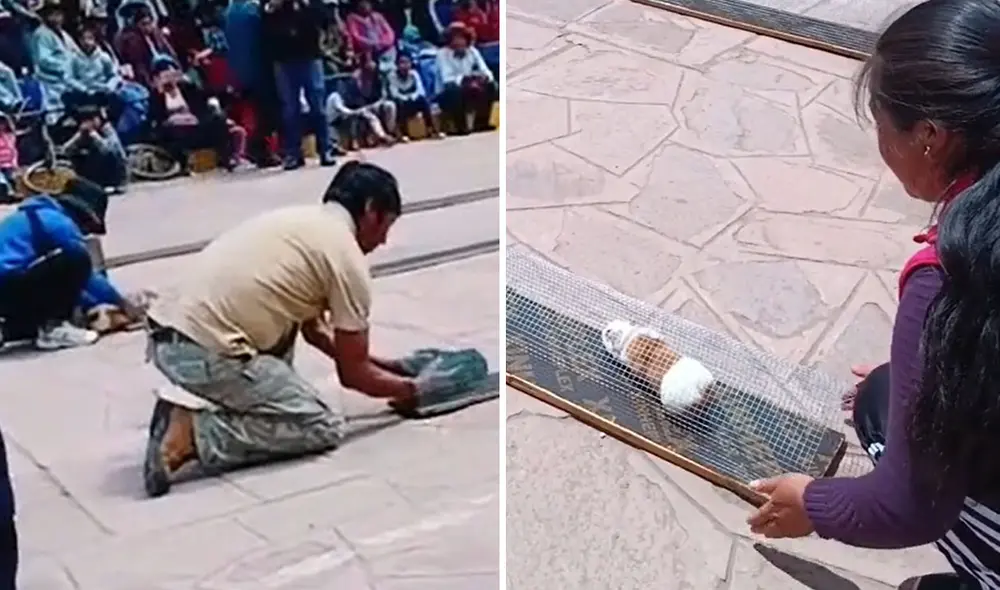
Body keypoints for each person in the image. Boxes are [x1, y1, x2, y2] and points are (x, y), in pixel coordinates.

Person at [745, 2, 1000, 588]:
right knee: (887, 394)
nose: (881, 147)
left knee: (889, 420)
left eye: (882, 126)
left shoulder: (951, 277)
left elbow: (908, 507)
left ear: (931, 136)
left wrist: (814, 502)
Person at [140, 162, 451, 497]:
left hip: (168, 334)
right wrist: (415, 392)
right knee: (319, 425)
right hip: (202, 349)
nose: (384, 240)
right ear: (371, 211)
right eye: (386, 226)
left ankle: (223, 409)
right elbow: (353, 374)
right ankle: (191, 435)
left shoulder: (299, 222)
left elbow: (315, 332)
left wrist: (388, 367)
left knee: (282, 331)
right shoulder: (346, 257)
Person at [0, 178, 115, 349]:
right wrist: (121, 301)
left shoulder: (34, 215)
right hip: (6, 285)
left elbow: (68, 287)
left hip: (8, 289)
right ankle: (54, 328)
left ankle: (6, 331)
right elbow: (85, 275)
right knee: (77, 259)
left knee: (37, 316)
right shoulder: (59, 223)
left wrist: (91, 304)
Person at [262, 0, 336, 170]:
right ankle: (293, 154)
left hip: (309, 56)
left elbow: (323, 18)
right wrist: (274, 7)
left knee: (318, 105)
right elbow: (264, 23)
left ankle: (326, 149)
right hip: (283, 59)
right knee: (290, 109)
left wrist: (307, 4)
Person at [148, 59, 245, 174]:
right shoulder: (155, 96)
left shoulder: (186, 88)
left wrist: (227, 91)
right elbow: (155, 118)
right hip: (176, 133)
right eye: (165, 74)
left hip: (197, 127)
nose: (170, 77)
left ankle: (232, 159)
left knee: (226, 124)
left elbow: (205, 94)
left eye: (173, 73)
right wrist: (161, 92)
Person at [224, 0, 280, 168]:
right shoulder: (252, 9)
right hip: (259, 66)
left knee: (255, 110)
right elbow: (266, 35)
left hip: (240, 69)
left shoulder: (232, 9)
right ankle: (262, 150)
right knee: (267, 110)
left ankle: (259, 150)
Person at [435, 22, 495, 135]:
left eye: (461, 38)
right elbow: (447, 78)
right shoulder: (442, 54)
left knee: (491, 85)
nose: (459, 42)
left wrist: (484, 77)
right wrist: (467, 81)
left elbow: (485, 69)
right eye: (455, 38)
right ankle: (460, 127)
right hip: (448, 91)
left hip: (471, 85)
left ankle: (481, 123)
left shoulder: (472, 51)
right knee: (453, 90)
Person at [31, 0, 80, 120]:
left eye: (59, 14)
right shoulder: (41, 34)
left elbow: (76, 53)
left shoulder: (64, 34)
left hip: (68, 80)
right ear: (46, 16)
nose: (57, 18)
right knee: (56, 115)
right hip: (50, 82)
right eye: (52, 14)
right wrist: (65, 66)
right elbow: (44, 60)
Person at [62, 104, 128, 193]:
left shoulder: (107, 129)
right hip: (95, 169)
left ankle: (114, 183)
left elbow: (110, 150)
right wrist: (77, 137)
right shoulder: (84, 132)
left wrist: (95, 136)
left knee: (102, 153)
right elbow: (66, 149)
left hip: (115, 167)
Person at [114, 4, 178, 88]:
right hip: (149, 76)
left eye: (149, 23)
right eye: (144, 24)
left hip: (167, 70)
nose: (148, 27)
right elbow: (139, 65)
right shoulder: (129, 39)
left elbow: (170, 52)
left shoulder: (156, 33)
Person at [387, 52, 440, 141]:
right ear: (397, 64)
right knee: (399, 104)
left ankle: (431, 129)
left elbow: (420, 90)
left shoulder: (414, 74)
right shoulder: (392, 76)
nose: (404, 65)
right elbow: (394, 93)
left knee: (423, 101)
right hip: (401, 101)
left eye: (407, 62)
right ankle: (403, 134)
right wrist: (405, 98)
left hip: (413, 99)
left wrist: (413, 96)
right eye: (402, 63)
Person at [344, 0, 395, 69]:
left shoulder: (378, 16)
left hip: (384, 47)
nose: (364, 5)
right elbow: (355, 36)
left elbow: (389, 32)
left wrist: (384, 42)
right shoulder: (352, 18)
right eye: (362, 3)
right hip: (365, 51)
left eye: (367, 3)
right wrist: (371, 43)